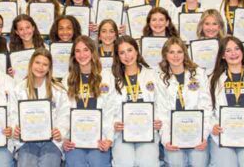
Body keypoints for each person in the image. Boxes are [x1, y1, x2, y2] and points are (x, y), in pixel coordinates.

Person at [208, 36, 244, 167]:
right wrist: (212, 125)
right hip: (222, 136)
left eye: (236, 49)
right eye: (228, 50)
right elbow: (207, 108)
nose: (233, 53)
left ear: (242, 51)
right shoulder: (214, 80)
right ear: (223, 55)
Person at [156, 37, 212, 167]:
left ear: (185, 53)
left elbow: (207, 107)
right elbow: (161, 111)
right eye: (171, 52)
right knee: (176, 163)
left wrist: (203, 136)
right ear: (165, 55)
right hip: (173, 134)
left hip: (197, 132)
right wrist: (166, 140)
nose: (176, 56)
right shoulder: (159, 78)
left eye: (179, 52)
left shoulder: (199, 74)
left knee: (199, 163)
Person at [62, 36, 115, 167]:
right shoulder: (67, 79)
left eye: (86, 50)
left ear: (92, 52)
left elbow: (111, 111)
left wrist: (108, 139)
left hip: (98, 140)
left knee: (98, 163)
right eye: (77, 51)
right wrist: (64, 139)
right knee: (75, 163)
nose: (82, 55)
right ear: (73, 55)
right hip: (75, 140)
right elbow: (62, 113)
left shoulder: (107, 77)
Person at [110, 35, 162, 166]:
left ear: (137, 51)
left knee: (147, 162)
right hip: (123, 132)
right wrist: (113, 123)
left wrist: (158, 120)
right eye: (122, 52)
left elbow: (161, 103)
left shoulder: (153, 75)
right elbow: (106, 106)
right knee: (124, 162)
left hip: (147, 130)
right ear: (117, 56)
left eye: (130, 50)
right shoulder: (111, 78)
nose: (127, 56)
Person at [13, 48, 69, 166]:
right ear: (31, 63)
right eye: (37, 62)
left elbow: (64, 115)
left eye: (45, 64)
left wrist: (60, 131)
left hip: (51, 141)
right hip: (27, 141)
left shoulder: (58, 90)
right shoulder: (19, 89)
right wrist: (16, 128)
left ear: (49, 68)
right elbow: (13, 114)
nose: (40, 67)